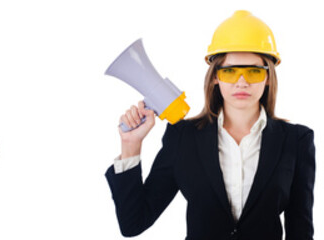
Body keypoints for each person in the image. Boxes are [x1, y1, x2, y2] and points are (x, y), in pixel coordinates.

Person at [106, 10, 314, 239]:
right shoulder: (183, 137)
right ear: (215, 76)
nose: (241, 82)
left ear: (268, 77)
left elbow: (300, 230)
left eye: (254, 71)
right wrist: (131, 145)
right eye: (230, 71)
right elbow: (134, 223)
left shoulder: (297, 141)